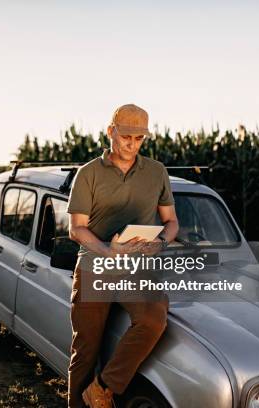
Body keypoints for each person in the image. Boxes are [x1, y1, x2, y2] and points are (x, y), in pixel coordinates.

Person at [67, 104, 179, 408]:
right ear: (110, 132)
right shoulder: (88, 173)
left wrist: (162, 243)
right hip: (94, 266)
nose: (132, 144)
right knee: (86, 351)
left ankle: (102, 389)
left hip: (136, 268)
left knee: (154, 319)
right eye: (126, 136)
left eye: (139, 138)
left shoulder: (156, 172)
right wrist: (106, 249)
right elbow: (76, 229)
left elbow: (171, 222)